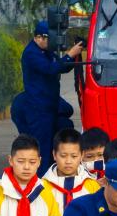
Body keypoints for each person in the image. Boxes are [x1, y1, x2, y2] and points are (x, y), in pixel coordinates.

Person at [14, 20, 83, 171]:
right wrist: (69, 55)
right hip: (38, 108)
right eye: (49, 39)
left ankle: (52, 171)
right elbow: (50, 69)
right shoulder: (31, 53)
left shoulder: (47, 52)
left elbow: (61, 68)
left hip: (49, 106)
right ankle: (41, 180)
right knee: (43, 147)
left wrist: (73, 57)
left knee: (63, 128)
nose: (52, 43)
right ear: (39, 38)